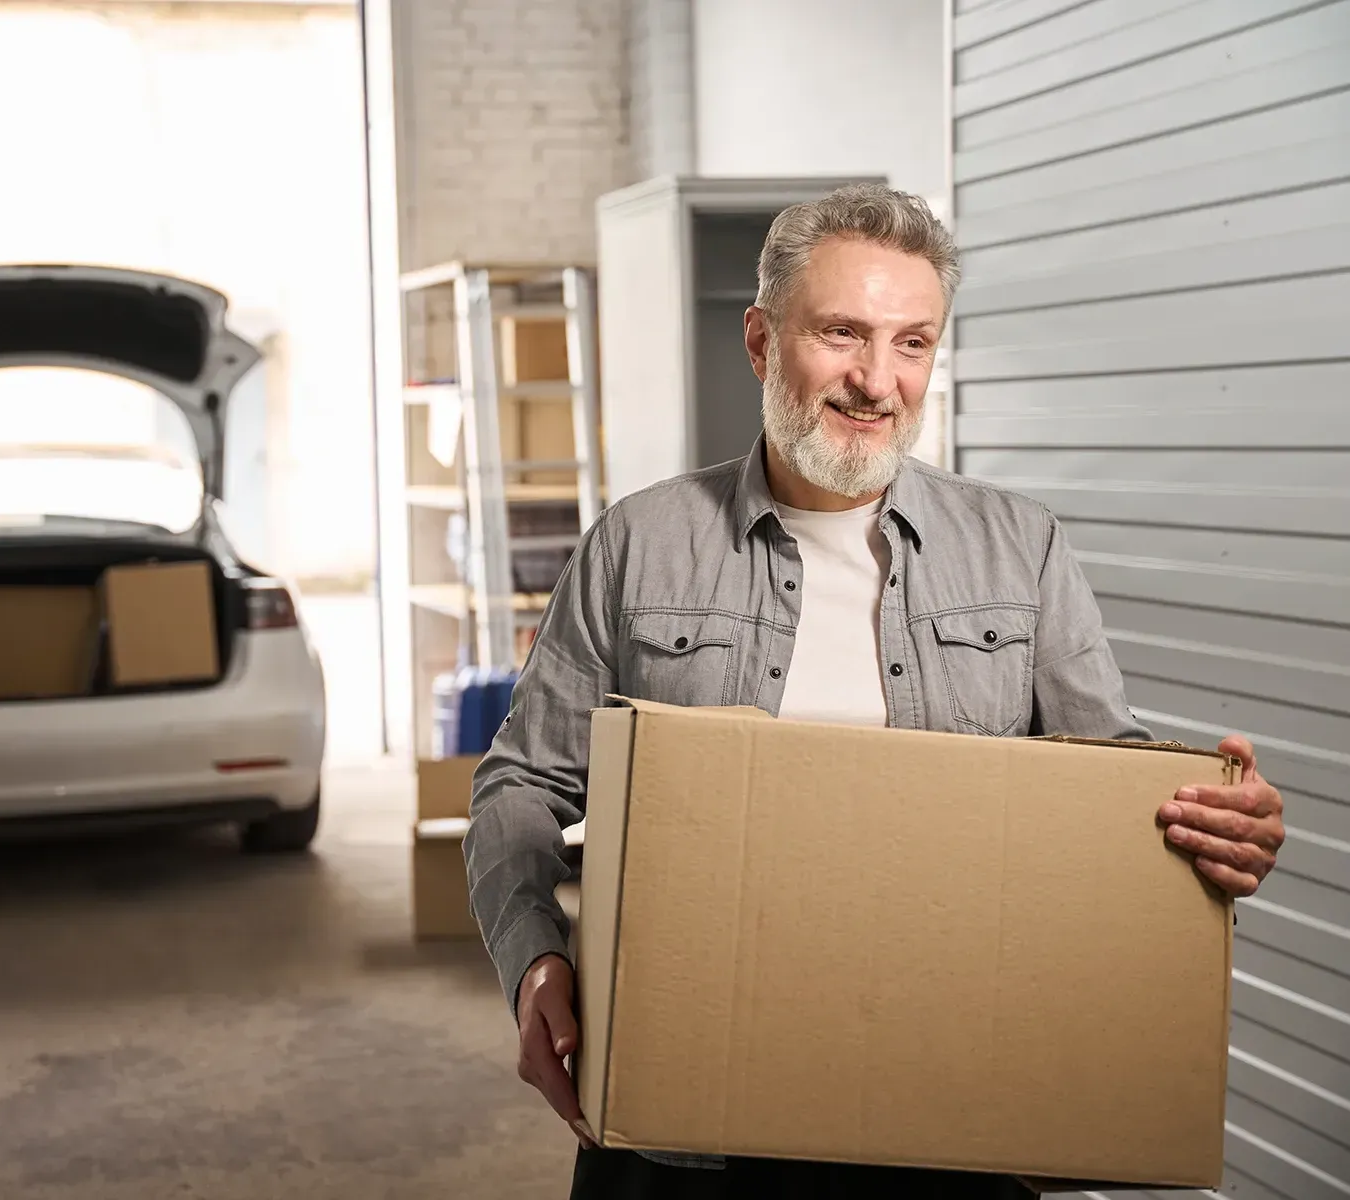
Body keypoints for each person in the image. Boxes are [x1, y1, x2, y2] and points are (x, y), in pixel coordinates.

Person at [460, 183, 1287, 1200]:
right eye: (842, 333)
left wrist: (1211, 829)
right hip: (682, 1129)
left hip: (948, 1121)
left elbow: (1106, 799)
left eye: (912, 342)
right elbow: (522, 785)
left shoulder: (1020, 549)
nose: (876, 380)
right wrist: (536, 960)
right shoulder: (640, 544)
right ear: (762, 341)